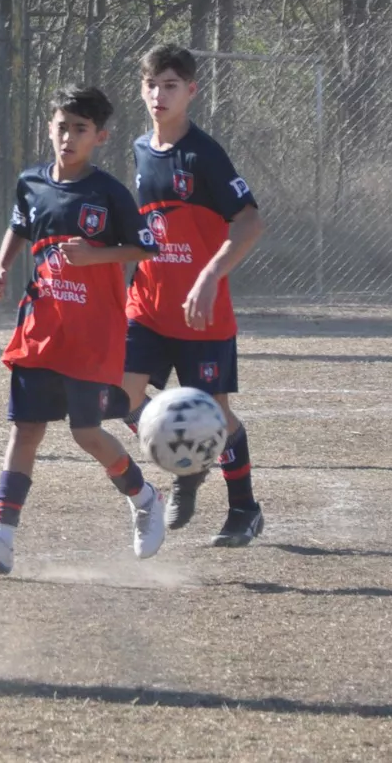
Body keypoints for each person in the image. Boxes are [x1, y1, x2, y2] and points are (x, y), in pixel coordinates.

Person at [0, 86, 163, 574]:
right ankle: (2, 539)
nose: (68, 137)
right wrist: (1, 266)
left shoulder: (108, 192)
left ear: (100, 137)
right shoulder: (31, 182)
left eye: (80, 130)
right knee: (25, 429)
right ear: (50, 127)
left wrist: (96, 255)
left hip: (92, 333)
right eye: (62, 127)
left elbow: (146, 248)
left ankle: (144, 496)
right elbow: (20, 225)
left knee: (86, 432)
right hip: (41, 325)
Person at [120, 44, 266, 547]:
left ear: (191, 91)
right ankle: (182, 460)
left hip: (202, 314)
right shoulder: (140, 149)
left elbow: (249, 221)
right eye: (151, 85)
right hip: (148, 307)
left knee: (217, 418)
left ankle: (243, 508)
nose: (159, 95)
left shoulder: (203, 154)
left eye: (170, 86)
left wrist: (208, 277)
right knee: (119, 396)